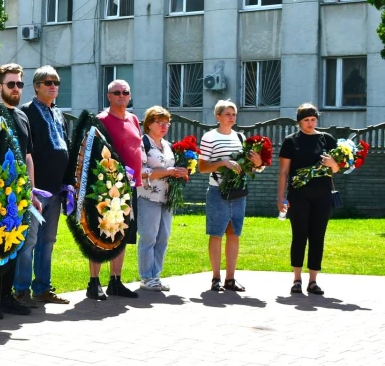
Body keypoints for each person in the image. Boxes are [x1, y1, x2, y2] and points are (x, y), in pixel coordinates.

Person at [0, 64, 42, 319]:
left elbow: (28, 156)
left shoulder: (22, 117)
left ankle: (4, 296)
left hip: (17, 196)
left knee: (12, 244)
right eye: (11, 84)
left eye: (19, 84)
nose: (16, 89)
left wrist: (32, 191)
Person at [13, 66, 71, 307]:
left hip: (56, 190)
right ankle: (21, 290)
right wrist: (30, 188)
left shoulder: (59, 114)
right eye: (48, 82)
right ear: (36, 86)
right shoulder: (26, 112)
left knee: (48, 241)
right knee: (29, 240)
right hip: (35, 191)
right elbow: (24, 153)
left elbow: (64, 148)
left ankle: (42, 288)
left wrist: (68, 184)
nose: (53, 86)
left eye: (56, 82)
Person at [198, 100, 262, 292]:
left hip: (238, 192)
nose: (231, 117)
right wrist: (223, 163)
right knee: (216, 233)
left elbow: (251, 167)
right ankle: (216, 278)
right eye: (227, 114)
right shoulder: (209, 137)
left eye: (233, 114)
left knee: (234, 233)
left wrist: (258, 163)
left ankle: (230, 279)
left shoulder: (240, 137)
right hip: (218, 191)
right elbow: (202, 167)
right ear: (218, 117)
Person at [277, 103, 339, 295]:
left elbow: (336, 170)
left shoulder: (326, 139)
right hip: (298, 195)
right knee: (299, 235)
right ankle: (297, 279)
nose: (310, 123)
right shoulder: (291, 141)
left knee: (317, 236)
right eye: (306, 120)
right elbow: (284, 172)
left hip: (322, 195)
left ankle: (313, 281)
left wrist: (332, 163)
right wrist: (280, 197)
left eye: (313, 119)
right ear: (299, 122)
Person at [87, 80, 141, 300]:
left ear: (129, 96)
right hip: (106, 187)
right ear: (108, 96)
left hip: (130, 187)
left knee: (123, 235)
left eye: (125, 92)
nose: (121, 96)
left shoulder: (134, 119)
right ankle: (94, 283)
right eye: (116, 92)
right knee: (102, 234)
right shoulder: (101, 120)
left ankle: (115, 281)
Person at [137, 106, 189, 292]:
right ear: (149, 124)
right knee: (149, 237)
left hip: (166, 197)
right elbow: (140, 172)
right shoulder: (143, 144)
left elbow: (171, 168)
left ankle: (155, 276)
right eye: (160, 123)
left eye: (167, 123)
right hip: (148, 195)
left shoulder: (167, 145)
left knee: (163, 237)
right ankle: (146, 277)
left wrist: (180, 172)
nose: (164, 126)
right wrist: (167, 172)